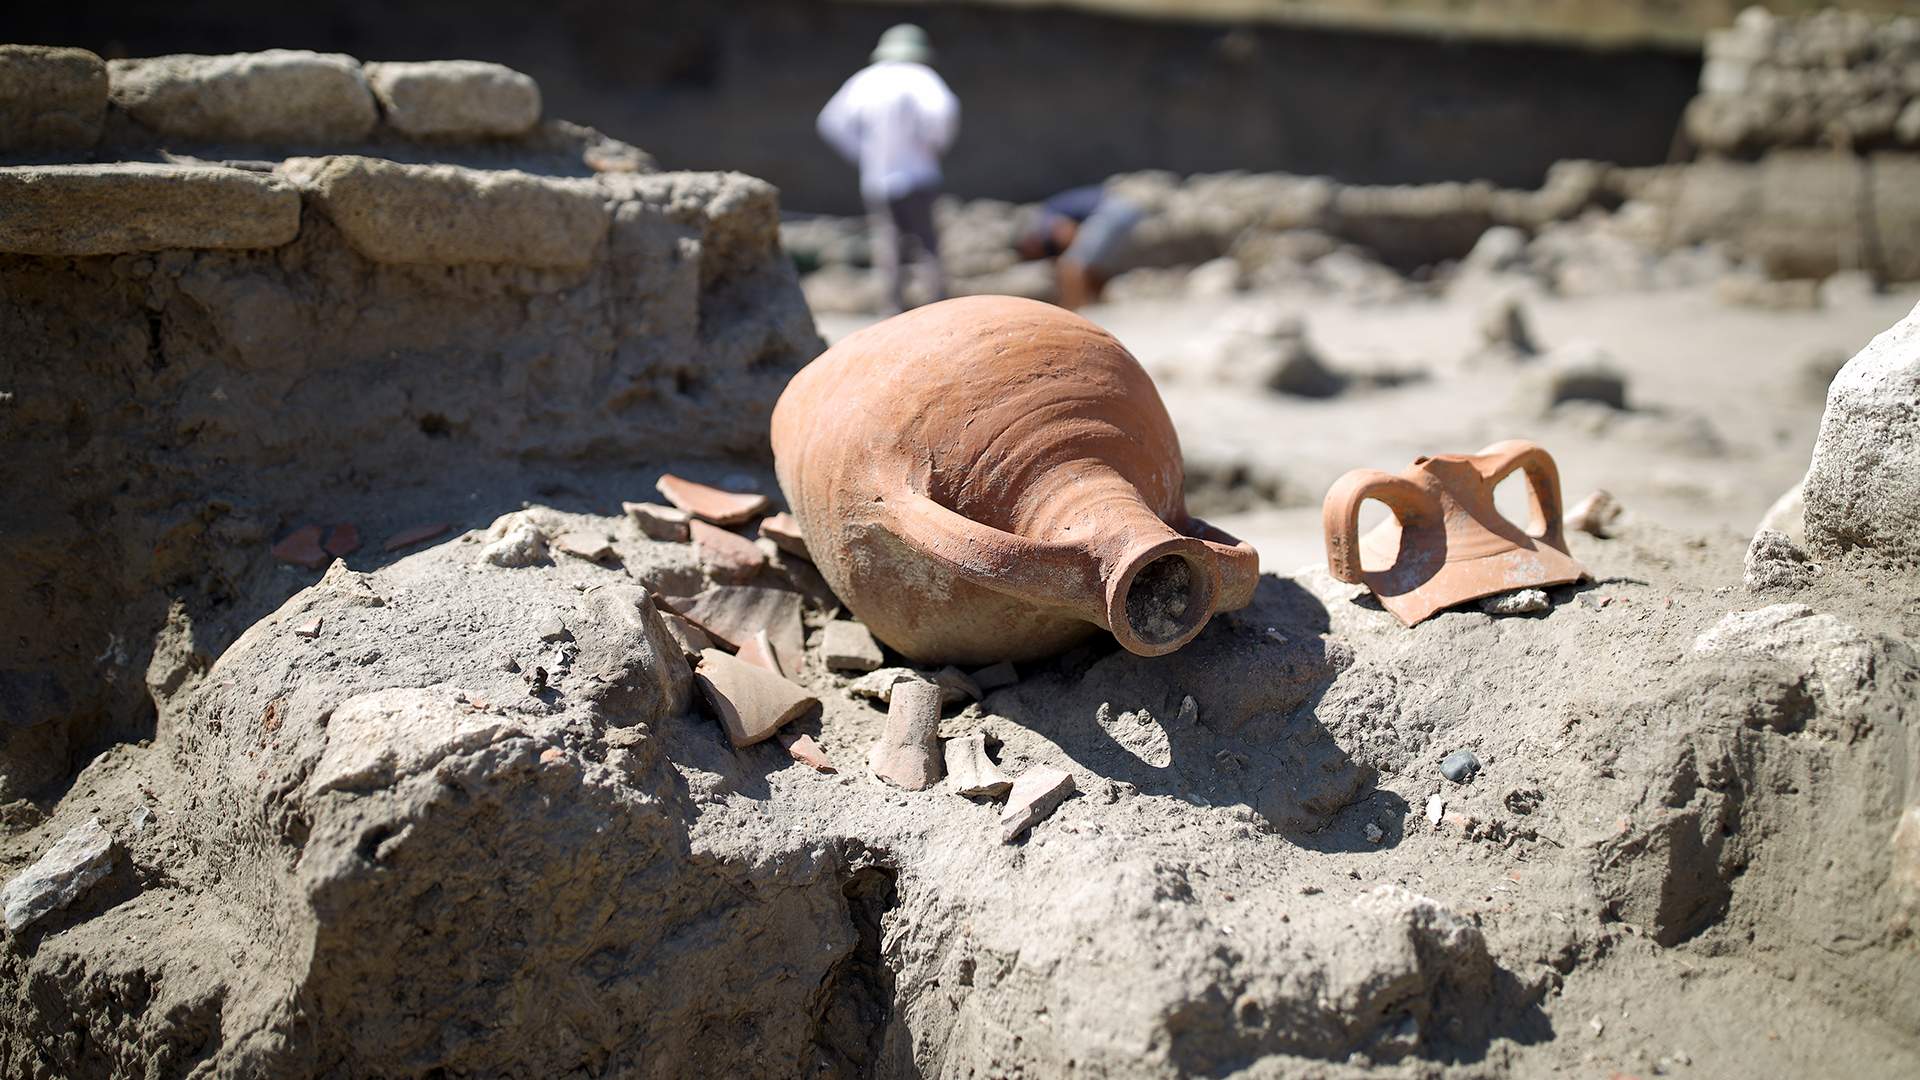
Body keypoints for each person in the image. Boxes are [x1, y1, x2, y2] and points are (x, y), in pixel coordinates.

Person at [817, 24, 960, 314]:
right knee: (926, 246)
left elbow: (830, 121)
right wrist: (933, 143)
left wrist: (861, 152)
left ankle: (892, 311)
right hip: (919, 174)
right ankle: (937, 309)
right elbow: (944, 113)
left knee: (888, 245)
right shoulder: (921, 78)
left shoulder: (866, 81)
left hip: (877, 178)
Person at [1016, 185, 1145, 309]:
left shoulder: (1044, 217)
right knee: (1094, 267)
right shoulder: (1049, 216)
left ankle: (1074, 308)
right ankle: (1096, 303)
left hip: (1110, 210)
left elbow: (1067, 233)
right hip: (1128, 210)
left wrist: (1066, 258)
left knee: (1070, 264)